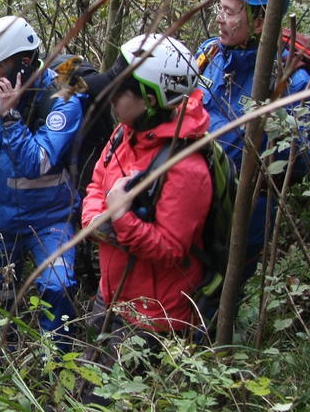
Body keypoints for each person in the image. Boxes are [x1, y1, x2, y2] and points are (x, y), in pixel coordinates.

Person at [80, 34, 215, 370]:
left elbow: (171, 248)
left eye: (119, 92)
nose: (109, 100)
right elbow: (97, 184)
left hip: (152, 316)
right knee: (83, 392)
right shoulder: (124, 133)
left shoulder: (186, 169)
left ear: (151, 100)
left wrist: (120, 218)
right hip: (109, 294)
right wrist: (97, 218)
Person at [0, 15, 91, 348]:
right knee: (1, 294)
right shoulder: (0, 94)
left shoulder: (63, 100)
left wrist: (10, 117)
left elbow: (37, 162)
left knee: (56, 287)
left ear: (24, 61)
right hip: (3, 220)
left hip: (50, 220)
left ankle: (56, 364)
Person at [194, 0, 310, 269]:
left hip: (244, 212)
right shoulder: (208, 54)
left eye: (230, 12)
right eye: (219, 9)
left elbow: (301, 161)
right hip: (190, 198)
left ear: (261, 21)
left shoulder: (291, 82)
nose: (220, 20)